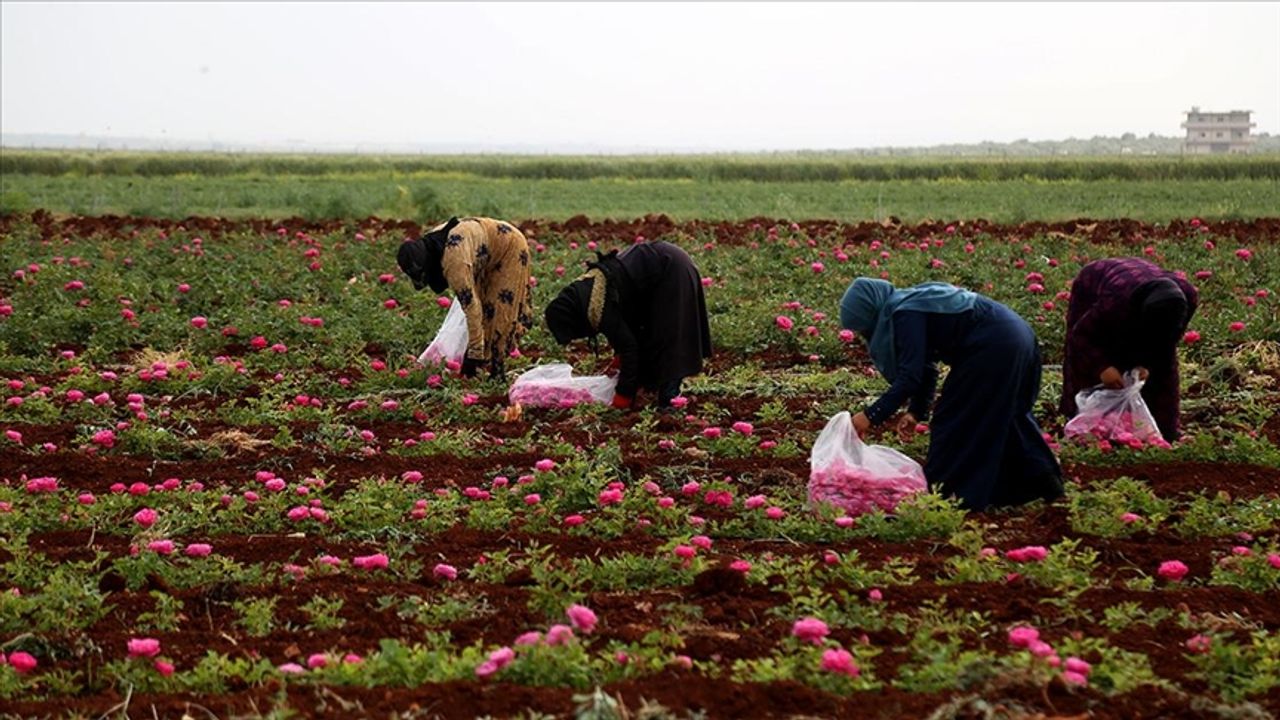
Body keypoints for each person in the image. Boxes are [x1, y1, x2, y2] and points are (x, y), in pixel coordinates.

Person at [839, 278, 1063, 512]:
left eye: (866, 329)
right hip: (1017, 336)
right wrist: (916, 411)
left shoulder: (904, 312)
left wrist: (869, 416)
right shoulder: (910, 303)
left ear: (873, 312)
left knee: (953, 421)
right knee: (1008, 415)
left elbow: (909, 377)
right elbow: (925, 366)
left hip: (992, 345)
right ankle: (1045, 483)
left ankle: (944, 498)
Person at [544, 240, 712, 410]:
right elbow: (626, 328)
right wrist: (620, 360)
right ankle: (656, 390)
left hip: (671, 269)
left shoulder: (599, 305)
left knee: (669, 338)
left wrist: (622, 397)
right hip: (656, 269)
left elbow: (629, 347)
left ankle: (670, 400)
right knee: (650, 337)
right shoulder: (586, 297)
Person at [1060, 257, 1198, 442]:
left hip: (1139, 291)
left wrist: (1145, 364)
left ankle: (1165, 432)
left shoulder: (1187, 297)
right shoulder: (1116, 302)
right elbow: (1081, 336)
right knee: (1087, 363)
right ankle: (1078, 423)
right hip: (1096, 283)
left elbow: (1166, 345)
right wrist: (1102, 367)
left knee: (1163, 368)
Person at [397, 216, 534, 378]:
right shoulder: (431, 244)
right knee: (485, 304)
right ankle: (486, 360)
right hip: (484, 249)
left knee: (499, 309)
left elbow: (472, 308)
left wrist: (474, 354)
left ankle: (498, 369)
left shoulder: (455, 262)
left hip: (510, 247)